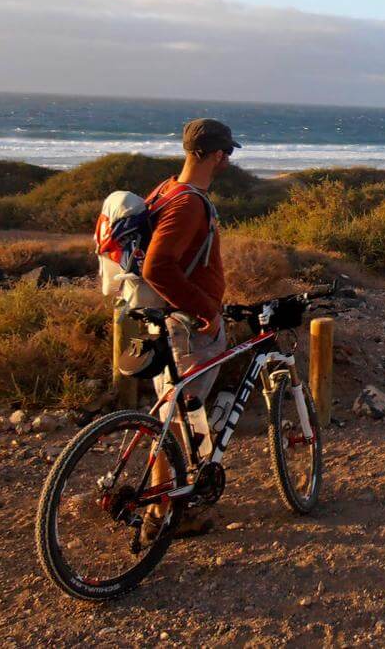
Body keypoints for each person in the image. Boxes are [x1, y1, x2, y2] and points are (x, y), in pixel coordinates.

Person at [140, 118, 241, 540]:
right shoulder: (188, 203)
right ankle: (164, 514)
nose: (228, 161)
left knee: (172, 414)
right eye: (228, 154)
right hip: (187, 327)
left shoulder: (165, 190)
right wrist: (206, 311)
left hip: (170, 322)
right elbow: (156, 266)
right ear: (217, 155)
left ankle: (167, 502)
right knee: (179, 420)